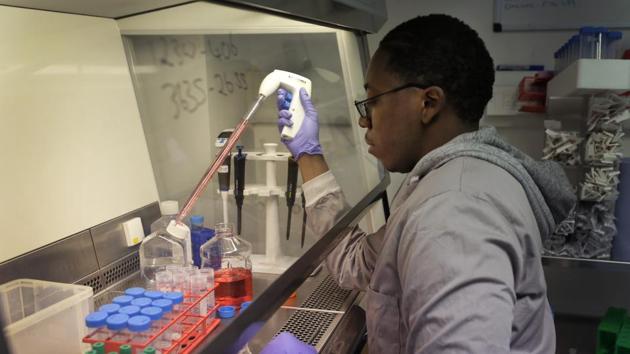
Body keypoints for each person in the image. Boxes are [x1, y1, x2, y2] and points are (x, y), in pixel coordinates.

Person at [273, 14, 574, 353]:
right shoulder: (446, 180)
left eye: (373, 101)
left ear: (428, 103)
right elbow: (358, 263)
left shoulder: (454, 215)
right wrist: (308, 154)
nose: (363, 119)